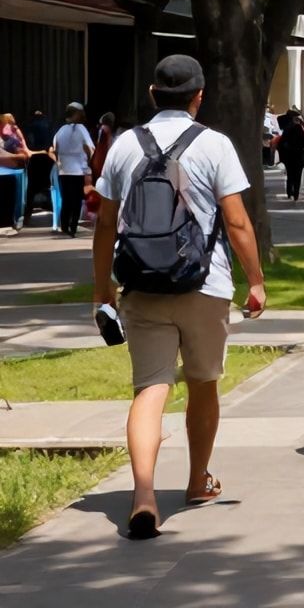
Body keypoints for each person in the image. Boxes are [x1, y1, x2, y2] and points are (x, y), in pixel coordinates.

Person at [91, 54, 266, 539]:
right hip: (203, 285)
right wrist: (255, 280)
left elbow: (106, 222)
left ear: (152, 94)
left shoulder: (125, 145)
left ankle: (143, 495)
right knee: (203, 383)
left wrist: (101, 284)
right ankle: (196, 481)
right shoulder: (214, 145)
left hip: (141, 285)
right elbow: (235, 221)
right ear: (199, 95)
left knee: (150, 389)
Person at [50, 102, 95, 236]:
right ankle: (73, 227)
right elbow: (90, 148)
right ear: (77, 114)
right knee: (76, 200)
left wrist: (60, 161)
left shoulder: (61, 130)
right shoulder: (81, 128)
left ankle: (64, 226)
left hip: (63, 170)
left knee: (66, 199)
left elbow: (55, 148)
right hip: (77, 170)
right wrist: (88, 163)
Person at [0, 113, 28, 236]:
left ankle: (7, 221)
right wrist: (16, 157)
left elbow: (23, 151)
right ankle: (6, 222)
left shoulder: (12, 134)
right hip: (6, 173)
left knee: (10, 187)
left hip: (8, 173)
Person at [278, 110, 304, 201]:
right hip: (298, 156)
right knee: (298, 176)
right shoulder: (298, 128)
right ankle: (296, 194)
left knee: (290, 175)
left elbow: (281, 144)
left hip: (289, 157)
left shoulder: (286, 129)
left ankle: (289, 192)